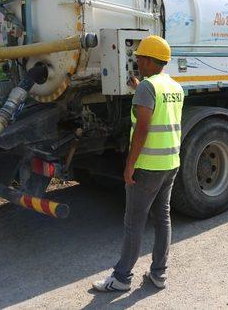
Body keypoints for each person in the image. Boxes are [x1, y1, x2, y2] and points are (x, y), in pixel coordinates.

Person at [92, 35, 184, 292]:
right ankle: (159, 274)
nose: (137, 61)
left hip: (148, 165)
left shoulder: (147, 88)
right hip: (170, 162)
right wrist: (138, 89)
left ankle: (121, 278)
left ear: (147, 60)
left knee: (134, 222)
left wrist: (129, 165)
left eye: (139, 57)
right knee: (162, 218)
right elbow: (159, 113)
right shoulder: (174, 86)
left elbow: (142, 128)